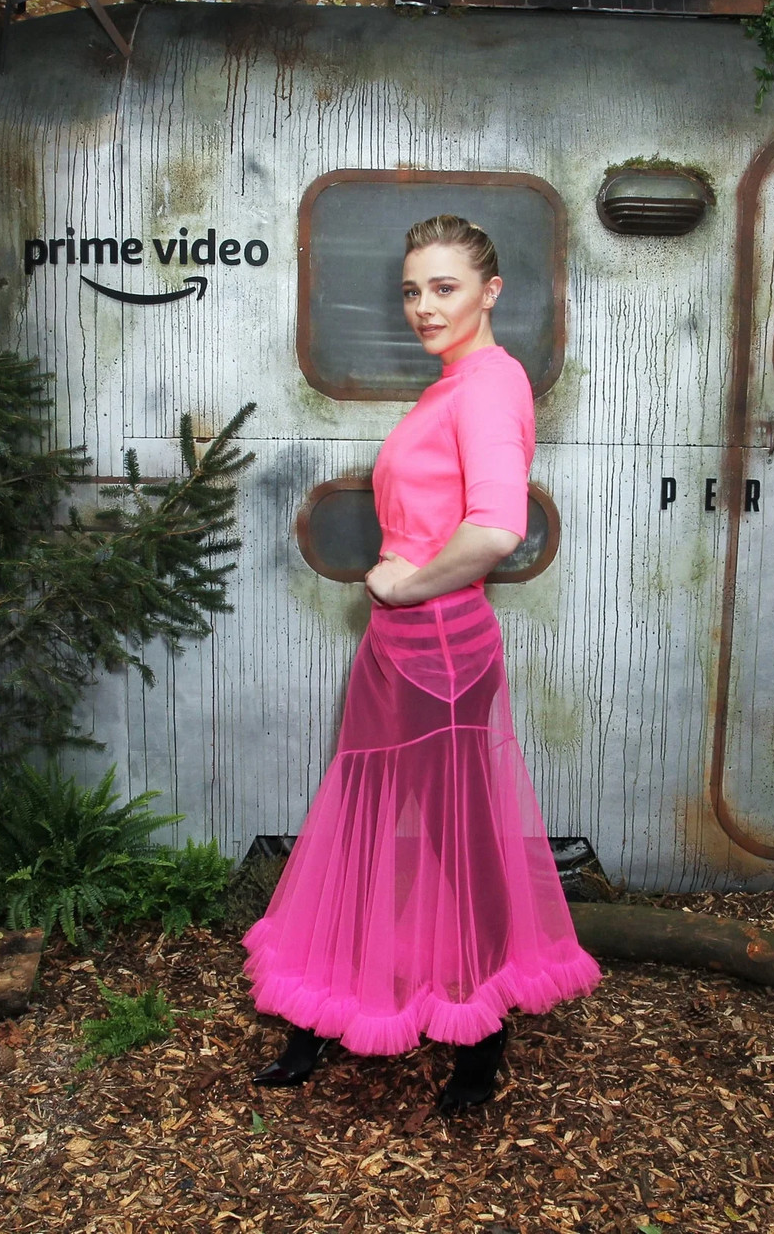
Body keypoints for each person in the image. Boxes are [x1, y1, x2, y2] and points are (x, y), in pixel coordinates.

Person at [240, 214, 603, 1114]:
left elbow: (497, 529)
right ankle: (323, 1012)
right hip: (400, 649)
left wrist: (406, 586)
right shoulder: (454, 384)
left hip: (438, 649)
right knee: (364, 824)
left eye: (445, 287)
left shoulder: (489, 385)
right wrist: (395, 600)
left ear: (490, 292)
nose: (424, 307)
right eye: (412, 290)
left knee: (454, 843)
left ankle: (480, 1038)